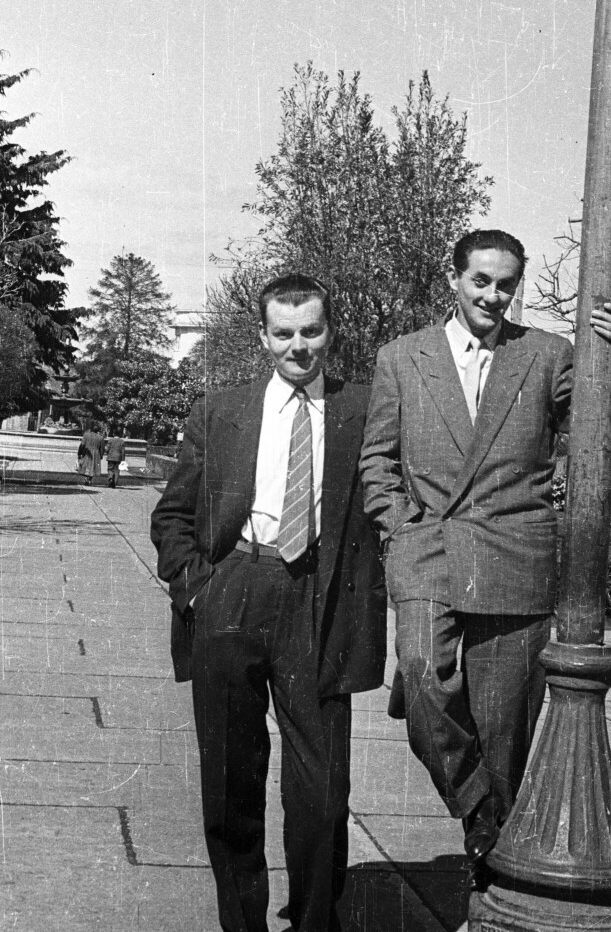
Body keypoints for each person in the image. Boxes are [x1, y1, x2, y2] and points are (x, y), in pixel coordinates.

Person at [359, 229, 611, 876]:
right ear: (454, 279)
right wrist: (398, 527)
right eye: (481, 281)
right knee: (421, 674)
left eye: (506, 284)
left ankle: (492, 873)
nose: (493, 296)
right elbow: (375, 461)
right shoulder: (401, 358)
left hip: (514, 556)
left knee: (502, 735)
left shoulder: (545, 355)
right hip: (427, 548)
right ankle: (477, 812)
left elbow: (607, 439)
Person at [151, 274, 386, 932]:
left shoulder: (361, 410)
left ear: (328, 331)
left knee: (323, 792)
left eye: (311, 330)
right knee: (230, 786)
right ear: (263, 337)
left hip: (318, 600)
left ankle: (315, 923)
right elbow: (172, 515)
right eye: (284, 333)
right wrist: (197, 586)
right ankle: (243, 923)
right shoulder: (220, 411)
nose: (298, 345)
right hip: (234, 588)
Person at [77, 421, 106, 486]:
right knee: (93, 467)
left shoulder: (86, 435)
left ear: (91, 429)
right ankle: (90, 479)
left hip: (87, 452)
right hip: (96, 453)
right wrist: (101, 455)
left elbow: (82, 444)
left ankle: (86, 478)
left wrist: (80, 453)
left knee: (86, 465)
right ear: (98, 431)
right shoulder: (100, 438)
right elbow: (102, 448)